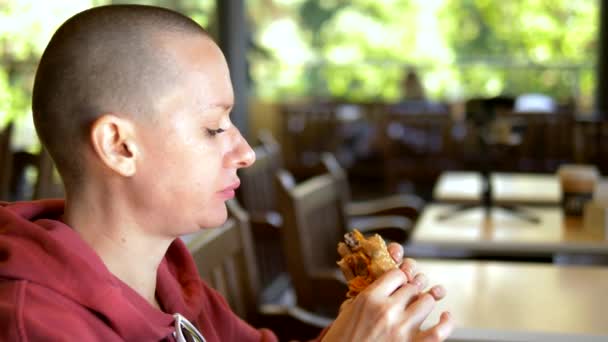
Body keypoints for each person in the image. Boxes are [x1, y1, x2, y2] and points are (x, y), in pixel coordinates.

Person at [0, 5, 453, 341]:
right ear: (120, 146)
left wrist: (364, 326)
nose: (245, 153)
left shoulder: (169, 277)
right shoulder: (35, 323)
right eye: (214, 127)